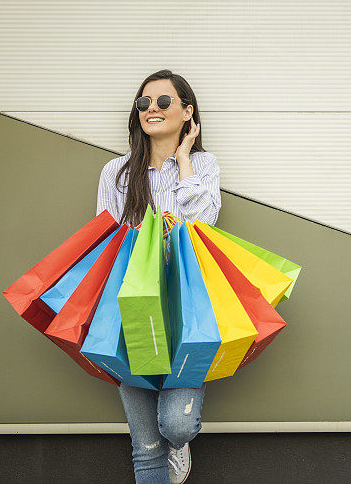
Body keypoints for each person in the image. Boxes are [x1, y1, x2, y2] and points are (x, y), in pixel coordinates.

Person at [95, 69, 222, 484]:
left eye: (163, 102)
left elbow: (203, 222)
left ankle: (180, 444)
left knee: (176, 427)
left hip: (186, 307)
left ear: (187, 112)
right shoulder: (116, 172)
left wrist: (183, 159)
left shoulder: (203, 165)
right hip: (133, 309)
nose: (151, 109)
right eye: (144, 102)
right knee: (146, 449)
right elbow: (104, 244)